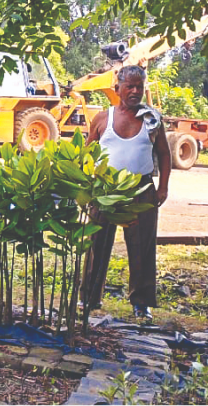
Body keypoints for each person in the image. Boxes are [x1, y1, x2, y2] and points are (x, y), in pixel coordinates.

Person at [81, 65, 171, 320]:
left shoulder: (152, 119)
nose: (134, 91)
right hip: (105, 188)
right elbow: (88, 153)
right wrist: (86, 185)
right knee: (96, 243)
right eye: (129, 86)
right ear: (117, 88)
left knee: (142, 245)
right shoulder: (102, 118)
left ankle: (141, 303)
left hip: (141, 188)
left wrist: (162, 187)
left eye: (139, 86)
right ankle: (89, 298)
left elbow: (164, 154)